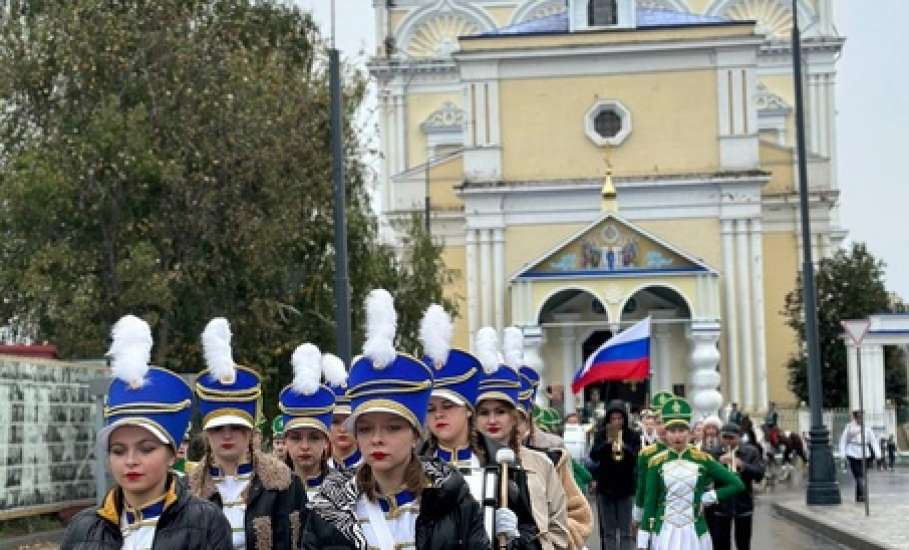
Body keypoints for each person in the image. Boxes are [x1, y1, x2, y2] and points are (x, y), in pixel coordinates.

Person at [301, 289, 491, 550]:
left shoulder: (453, 499)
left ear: (416, 433)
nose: (377, 439)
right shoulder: (328, 508)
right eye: (366, 429)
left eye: (393, 427)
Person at [61, 315, 232, 550]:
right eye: (118, 451)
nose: (131, 461)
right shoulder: (82, 528)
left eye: (146, 449)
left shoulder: (206, 522)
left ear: (173, 454)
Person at [417, 306, 541, 548]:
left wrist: (516, 537)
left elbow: (530, 533)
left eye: (448, 406)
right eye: (431, 409)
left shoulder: (503, 464)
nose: (439, 414)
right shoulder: (412, 467)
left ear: (467, 410)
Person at [190, 317, 297, 550]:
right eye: (218, 429)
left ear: (250, 433)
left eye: (237, 428)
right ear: (207, 434)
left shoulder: (282, 483)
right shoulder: (187, 490)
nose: (227, 436)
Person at [474, 326, 570, 550]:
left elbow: (559, 528)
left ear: (515, 417)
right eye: (484, 412)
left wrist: (531, 542)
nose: (492, 420)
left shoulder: (542, 463)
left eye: (500, 412)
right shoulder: (465, 463)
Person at [508, 327, 591, 550]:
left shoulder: (551, 453)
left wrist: (549, 542)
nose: (512, 427)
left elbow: (578, 514)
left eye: (519, 419)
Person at [637, 397, 745, 550]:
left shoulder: (702, 459)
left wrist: (709, 497)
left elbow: (736, 484)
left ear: (690, 433)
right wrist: (643, 539)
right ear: (666, 433)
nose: (677, 436)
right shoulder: (656, 462)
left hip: (695, 532)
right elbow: (650, 502)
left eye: (682, 430)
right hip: (665, 532)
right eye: (672, 431)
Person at [704, 423, 765, 550]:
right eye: (724, 437)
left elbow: (759, 475)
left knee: (743, 543)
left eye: (731, 438)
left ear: (739, 437)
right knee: (720, 544)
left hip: (743, 504)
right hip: (721, 505)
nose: (728, 441)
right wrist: (718, 464)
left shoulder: (751, 451)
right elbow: (705, 477)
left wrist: (742, 465)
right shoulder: (713, 452)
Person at [590, 400, 639, 550]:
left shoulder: (633, 435)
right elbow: (593, 456)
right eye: (613, 418)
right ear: (608, 419)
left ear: (624, 418)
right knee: (608, 532)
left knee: (626, 532)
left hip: (625, 488)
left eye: (620, 418)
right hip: (605, 489)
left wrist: (624, 446)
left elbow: (637, 458)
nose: (617, 421)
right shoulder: (601, 434)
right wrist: (607, 443)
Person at [632, 391, 674, 528]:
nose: (662, 427)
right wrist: (637, 516)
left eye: (666, 422)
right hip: (655, 514)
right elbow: (642, 488)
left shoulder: (692, 452)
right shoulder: (647, 454)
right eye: (659, 422)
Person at [325, 358, 363, 473]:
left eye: (349, 421)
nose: (342, 429)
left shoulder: (374, 471)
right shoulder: (316, 470)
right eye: (335, 422)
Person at [838, 410, 881, 502]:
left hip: (865, 454)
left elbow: (873, 441)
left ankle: (859, 497)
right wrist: (842, 454)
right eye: (858, 417)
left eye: (862, 417)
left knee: (862, 475)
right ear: (855, 417)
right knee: (858, 475)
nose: (860, 418)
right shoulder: (849, 428)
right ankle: (863, 494)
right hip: (852, 453)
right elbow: (843, 441)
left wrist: (878, 454)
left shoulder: (867, 429)